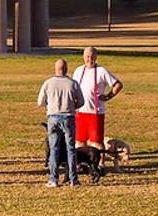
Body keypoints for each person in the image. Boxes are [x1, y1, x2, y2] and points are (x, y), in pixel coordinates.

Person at [37, 58, 85, 188]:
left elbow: (40, 102)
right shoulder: (72, 83)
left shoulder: (48, 83)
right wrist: (73, 105)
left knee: (54, 149)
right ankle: (73, 179)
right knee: (71, 149)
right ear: (66, 69)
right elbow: (81, 102)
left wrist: (50, 105)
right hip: (68, 116)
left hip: (53, 117)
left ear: (55, 69)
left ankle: (53, 179)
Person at [72, 46, 123, 152]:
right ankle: (82, 163)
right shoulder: (78, 71)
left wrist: (108, 96)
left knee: (96, 142)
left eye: (92, 57)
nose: (89, 59)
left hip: (96, 113)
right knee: (79, 142)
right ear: (83, 57)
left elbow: (118, 85)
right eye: (87, 56)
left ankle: (100, 164)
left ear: (96, 57)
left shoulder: (101, 71)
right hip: (80, 112)